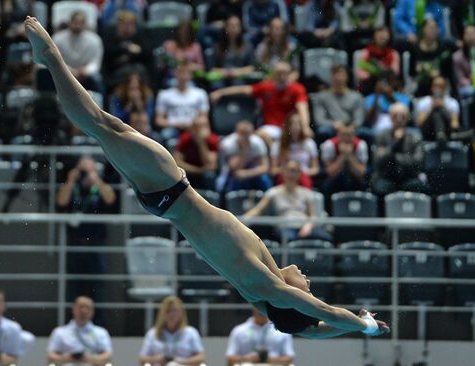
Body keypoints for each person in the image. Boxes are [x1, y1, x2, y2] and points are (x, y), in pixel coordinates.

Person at [23, 16, 389, 337]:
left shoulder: (267, 285)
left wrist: (366, 325)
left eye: (306, 289)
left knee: (104, 125)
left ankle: (52, 59)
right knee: (103, 130)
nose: (307, 281)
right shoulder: (260, 294)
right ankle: (51, 63)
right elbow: (312, 330)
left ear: (294, 299)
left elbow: (323, 313)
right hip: (165, 200)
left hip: (173, 189)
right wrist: (357, 327)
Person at [57, 157, 116, 304]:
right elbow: (61, 201)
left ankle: (99, 323)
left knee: (98, 287)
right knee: (74, 287)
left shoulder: (99, 188)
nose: (85, 175)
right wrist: (70, 181)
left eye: (89, 170)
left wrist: (96, 180)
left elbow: (111, 199)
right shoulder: (73, 188)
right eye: (83, 171)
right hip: (75, 244)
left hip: (96, 245)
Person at [210, 61, 311, 142]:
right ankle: (275, 157)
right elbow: (243, 90)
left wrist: (305, 126)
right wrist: (220, 92)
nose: (282, 76)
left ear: (289, 74)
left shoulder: (297, 89)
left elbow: (302, 108)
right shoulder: (266, 87)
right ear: (274, 74)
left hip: (289, 128)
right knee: (259, 135)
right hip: (270, 128)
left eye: (285, 73)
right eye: (279, 73)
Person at [245, 160, 332, 242]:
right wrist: (243, 220)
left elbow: (312, 215)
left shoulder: (306, 193)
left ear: (299, 174)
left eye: (294, 171)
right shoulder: (273, 193)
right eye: (289, 170)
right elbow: (258, 210)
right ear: (283, 172)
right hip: (285, 227)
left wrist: (308, 226)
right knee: (290, 239)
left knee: (327, 238)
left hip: (304, 226)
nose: (291, 174)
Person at [371, 103, 429, 196]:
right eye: (395, 116)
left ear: (407, 118)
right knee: (380, 188)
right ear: (390, 117)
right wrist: (395, 143)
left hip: (409, 177)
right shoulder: (381, 136)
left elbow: (418, 163)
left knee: (420, 187)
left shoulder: (415, 137)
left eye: (402, 116)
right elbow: (378, 161)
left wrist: (394, 156)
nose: (399, 119)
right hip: (386, 177)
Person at [139, 296, 205, 366]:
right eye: (168, 311)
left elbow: (201, 357)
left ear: (181, 313)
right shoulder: (152, 333)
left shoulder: (191, 332)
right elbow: (142, 358)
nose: (172, 314)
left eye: (175, 311)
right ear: (162, 313)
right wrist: (158, 359)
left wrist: (181, 361)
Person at [47, 296, 113, 366]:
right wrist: (69, 358)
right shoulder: (59, 332)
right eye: (80, 307)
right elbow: (50, 357)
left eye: (87, 307)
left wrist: (87, 358)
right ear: (73, 309)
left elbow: (108, 357)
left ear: (92, 311)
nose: (84, 311)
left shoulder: (101, 333)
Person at [155, 61, 210, 141]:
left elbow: (204, 118)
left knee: (203, 134)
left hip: (193, 127)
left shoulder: (200, 93)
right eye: (181, 72)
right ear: (175, 74)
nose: (183, 75)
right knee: (166, 135)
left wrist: (192, 124)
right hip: (172, 128)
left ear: (191, 75)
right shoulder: (164, 94)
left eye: (186, 72)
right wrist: (176, 124)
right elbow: (159, 120)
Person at [53, 11, 104, 93]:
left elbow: (95, 62)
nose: (77, 25)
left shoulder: (95, 40)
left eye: (80, 22)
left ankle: (100, 104)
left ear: (85, 24)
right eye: (75, 22)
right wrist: (70, 71)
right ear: (70, 22)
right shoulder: (58, 39)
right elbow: (56, 60)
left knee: (97, 79)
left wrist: (85, 71)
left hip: (85, 74)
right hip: (63, 71)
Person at [217, 120, 272, 193]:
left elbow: (265, 167)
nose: (245, 137)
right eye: (242, 133)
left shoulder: (258, 143)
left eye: (247, 134)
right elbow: (234, 168)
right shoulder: (228, 144)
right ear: (236, 132)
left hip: (251, 171)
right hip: (231, 174)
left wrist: (247, 173)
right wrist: (243, 149)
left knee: (264, 179)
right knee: (236, 179)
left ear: (252, 133)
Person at [313, 64, 365, 142]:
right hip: (332, 129)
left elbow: (359, 119)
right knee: (322, 131)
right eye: (335, 75)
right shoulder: (322, 97)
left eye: (342, 75)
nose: (338, 78)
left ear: (347, 77)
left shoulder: (357, 97)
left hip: (352, 129)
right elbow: (319, 119)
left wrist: (351, 127)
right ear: (330, 77)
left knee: (365, 133)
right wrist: (333, 124)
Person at [226, 307, 295, 366]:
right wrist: (247, 359)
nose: (260, 311)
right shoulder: (239, 330)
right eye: (258, 307)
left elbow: (290, 358)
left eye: (263, 307)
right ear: (253, 307)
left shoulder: (281, 330)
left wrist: (272, 359)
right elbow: (230, 359)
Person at [101, 11, 152, 87]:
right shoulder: (111, 37)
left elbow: (148, 54)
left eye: (130, 24)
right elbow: (107, 54)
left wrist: (128, 57)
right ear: (118, 25)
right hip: (116, 71)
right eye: (124, 24)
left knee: (139, 72)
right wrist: (127, 49)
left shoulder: (140, 37)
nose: (127, 27)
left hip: (137, 70)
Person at [320, 122, 369, 199]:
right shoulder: (329, 145)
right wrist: (342, 156)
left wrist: (350, 156)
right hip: (335, 178)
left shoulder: (361, 145)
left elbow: (361, 173)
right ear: (338, 134)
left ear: (354, 135)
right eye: (343, 134)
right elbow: (330, 173)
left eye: (349, 135)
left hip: (355, 177)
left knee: (364, 184)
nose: (346, 138)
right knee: (326, 185)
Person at [272, 112, 319, 189]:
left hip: (303, 175)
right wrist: (289, 171)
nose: (295, 126)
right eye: (292, 124)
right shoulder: (278, 145)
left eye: (298, 123)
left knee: (304, 180)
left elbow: (315, 169)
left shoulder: (309, 143)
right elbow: (274, 170)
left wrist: (299, 172)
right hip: (284, 176)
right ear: (287, 126)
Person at [173, 115, 219, 190]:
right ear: (192, 128)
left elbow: (211, 165)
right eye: (198, 127)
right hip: (190, 171)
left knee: (210, 175)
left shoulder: (213, 140)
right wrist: (198, 170)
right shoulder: (185, 139)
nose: (201, 130)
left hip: (205, 174)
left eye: (204, 126)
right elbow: (177, 162)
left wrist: (201, 143)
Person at [409, 18, 453, 97]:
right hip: (420, 85)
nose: (432, 30)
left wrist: (438, 73)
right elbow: (411, 72)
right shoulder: (414, 48)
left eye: (434, 28)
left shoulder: (443, 48)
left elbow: (448, 72)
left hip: (439, 85)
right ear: (422, 30)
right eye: (429, 27)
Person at [355, 26, 401, 94]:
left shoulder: (394, 54)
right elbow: (360, 73)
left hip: (388, 84)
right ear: (374, 36)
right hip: (370, 84)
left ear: (389, 37)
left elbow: (395, 72)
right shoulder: (366, 52)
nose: (382, 36)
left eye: (384, 35)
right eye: (379, 34)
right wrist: (374, 75)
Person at [415, 75, 460, 141]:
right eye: (435, 85)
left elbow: (454, 124)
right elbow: (419, 123)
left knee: (439, 110)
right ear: (432, 87)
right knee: (436, 112)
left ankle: (440, 134)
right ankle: (440, 134)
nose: (438, 88)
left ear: (445, 88)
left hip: (447, 130)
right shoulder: (424, 102)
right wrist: (432, 107)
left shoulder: (452, 102)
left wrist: (443, 108)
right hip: (429, 132)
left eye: (441, 86)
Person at [452, 25, 475, 99]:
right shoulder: (457, 57)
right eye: (467, 34)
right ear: (463, 37)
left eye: (472, 33)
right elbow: (460, 79)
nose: (470, 36)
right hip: (466, 87)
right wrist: (471, 81)